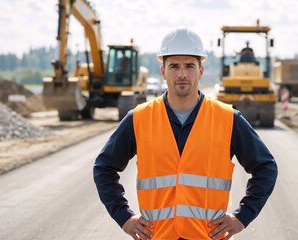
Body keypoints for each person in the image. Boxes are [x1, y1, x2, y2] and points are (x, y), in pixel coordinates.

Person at [93, 28, 278, 240]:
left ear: (200, 71)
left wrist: (242, 217)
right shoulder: (139, 118)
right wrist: (124, 217)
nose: (182, 74)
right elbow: (104, 168)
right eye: (174, 66)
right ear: (163, 71)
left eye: (189, 66)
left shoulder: (228, 119)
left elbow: (266, 168)